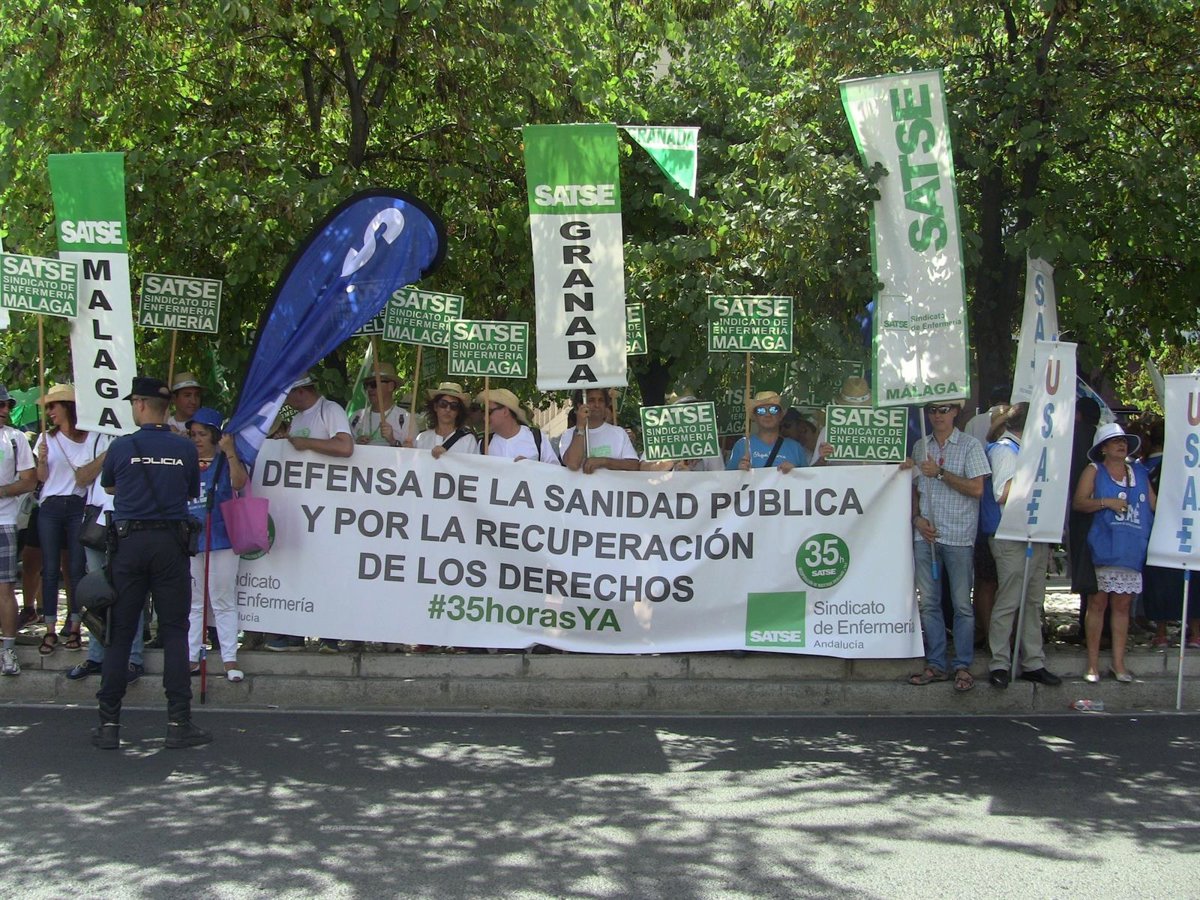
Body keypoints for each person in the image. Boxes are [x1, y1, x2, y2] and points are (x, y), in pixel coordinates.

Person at [95, 376, 204, 750]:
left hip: (128, 544)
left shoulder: (121, 446)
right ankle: (179, 722)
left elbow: (110, 486)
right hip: (171, 544)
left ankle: (109, 725)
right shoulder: (184, 448)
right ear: (166, 407)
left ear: (140, 404)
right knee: (174, 631)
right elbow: (191, 491)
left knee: (120, 632)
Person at [909, 399, 990, 692]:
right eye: (932, 410)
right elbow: (914, 489)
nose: (937, 415)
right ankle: (936, 664)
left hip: (958, 536)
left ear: (955, 411)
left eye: (944, 409)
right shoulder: (920, 445)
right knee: (929, 604)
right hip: (926, 536)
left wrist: (941, 473)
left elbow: (977, 489)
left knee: (961, 605)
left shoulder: (970, 446)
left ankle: (963, 665)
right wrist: (916, 518)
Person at [268, 374, 353, 652]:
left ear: (301, 391)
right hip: (303, 507)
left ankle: (330, 635)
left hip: (329, 505)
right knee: (302, 569)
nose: (286, 401)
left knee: (326, 569)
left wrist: (306, 444)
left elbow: (345, 446)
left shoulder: (330, 410)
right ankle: (295, 632)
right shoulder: (298, 418)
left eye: (289, 395)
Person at [983, 404, 1062, 688]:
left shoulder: (1027, 451)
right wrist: (1035, 475)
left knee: (1033, 601)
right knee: (1009, 600)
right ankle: (1000, 662)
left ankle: (1033, 662)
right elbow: (1002, 493)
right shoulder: (1005, 450)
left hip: (1034, 532)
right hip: (1010, 535)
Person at [1072, 422, 1156, 683]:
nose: (1122, 445)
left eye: (1124, 441)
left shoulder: (1139, 472)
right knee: (1097, 604)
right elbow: (1078, 503)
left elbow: (1153, 504)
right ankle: (1092, 664)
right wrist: (1106, 502)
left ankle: (1119, 663)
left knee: (1123, 606)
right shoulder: (1094, 470)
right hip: (1103, 545)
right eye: (1115, 441)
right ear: (1103, 448)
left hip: (1131, 546)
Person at [34, 384, 102, 654]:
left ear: (68, 407)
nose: (50, 411)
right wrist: (41, 461)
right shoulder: (46, 438)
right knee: (50, 568)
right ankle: (50, 628)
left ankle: (75, 626)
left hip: (77, 505)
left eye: (54, 406)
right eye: (48, 407)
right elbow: (41, 479)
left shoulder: (90, 437)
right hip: (50, 506)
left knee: (75, 568)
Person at [186, 407, 249, 682]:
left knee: (222, 598)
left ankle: (229, 658)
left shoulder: (224, 461)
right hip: (191, 539)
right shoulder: (186, 462)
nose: (197, 439)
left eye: (202, 434)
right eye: (193, 434)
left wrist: (230, 451)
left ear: (214, 435)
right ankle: (191, 656)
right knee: (195, 601)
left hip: (222, 538)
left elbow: (239, 482)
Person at [1140, 416, 1200, 648]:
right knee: (1190, 575)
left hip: (1160, 529)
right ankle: (1193, 633)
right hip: (1185, 528)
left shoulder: (1144, 467)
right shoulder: (1185, 465)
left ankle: (1163, 632)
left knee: (1162, 578)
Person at [0, 385, 36, 675]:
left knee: (5, 588)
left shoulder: (15, 438)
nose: (4, 410)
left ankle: (8, 649)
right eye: (0, 404)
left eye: (7, 405)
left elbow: (29, 480)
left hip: (5, 521)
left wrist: (1, 491)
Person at [561, 388, 641, 473]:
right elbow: (573, 464)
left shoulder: (619, 433)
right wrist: (580, 427)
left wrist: (603, 462)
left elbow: (634, 466)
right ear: (580, 405)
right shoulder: (568, 434)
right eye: (591, 400)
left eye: (601, 400)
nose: (597, 405)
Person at [726, 391, 806, 472]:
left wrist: (795, 472)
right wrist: (739, 471)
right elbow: (727, 478)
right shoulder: (742, 445)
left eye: (773, 409)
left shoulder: (796, 448)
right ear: (755, 416)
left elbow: (808, 478)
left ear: (780, 415)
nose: (767, 415)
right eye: (761, 410)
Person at [477, 389, 560, 464]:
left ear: (505, 411)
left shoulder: (536, 437)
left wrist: (532, 467)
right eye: (484, 412)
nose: (485, 418)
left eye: (489, 412)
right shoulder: (484, 444)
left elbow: (554, 471)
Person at [349, 362, 417, 447]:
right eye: (366, 385)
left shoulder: (405, 419)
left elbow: (412, 453)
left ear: (390, 386)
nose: (369, 389)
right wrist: (356, 445)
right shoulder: (356, 418)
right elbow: (344, 449)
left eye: (374, 384)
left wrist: (392, 441)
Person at [415, 381, 479, 457]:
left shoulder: (468, 440)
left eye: (454, 406)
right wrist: (407, 451)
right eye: (443, 404)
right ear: (435, 407)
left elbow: (473, 464)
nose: (448, 409)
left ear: (458, 411)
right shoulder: (422, 438)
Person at [167, 372, 204, 436]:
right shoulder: (166, 427)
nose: (194, 401)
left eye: (197, 395)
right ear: (174, 399)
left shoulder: (207, 426)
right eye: (187, 395)